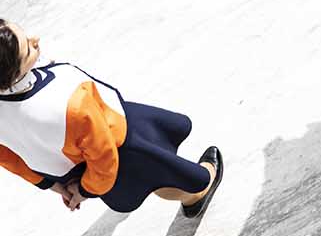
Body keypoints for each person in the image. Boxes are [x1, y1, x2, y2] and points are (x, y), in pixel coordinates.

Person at [0, 19, 223, 218]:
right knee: (155, 174)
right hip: (120, 143)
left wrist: (53, 184)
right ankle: (194, 195)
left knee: (151, 172)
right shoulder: (68, 105)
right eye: (28, 49)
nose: (35, 39)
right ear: (12, 73)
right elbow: (105, 159)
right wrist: (86, 189)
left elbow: (11, 159)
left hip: (74, 164)